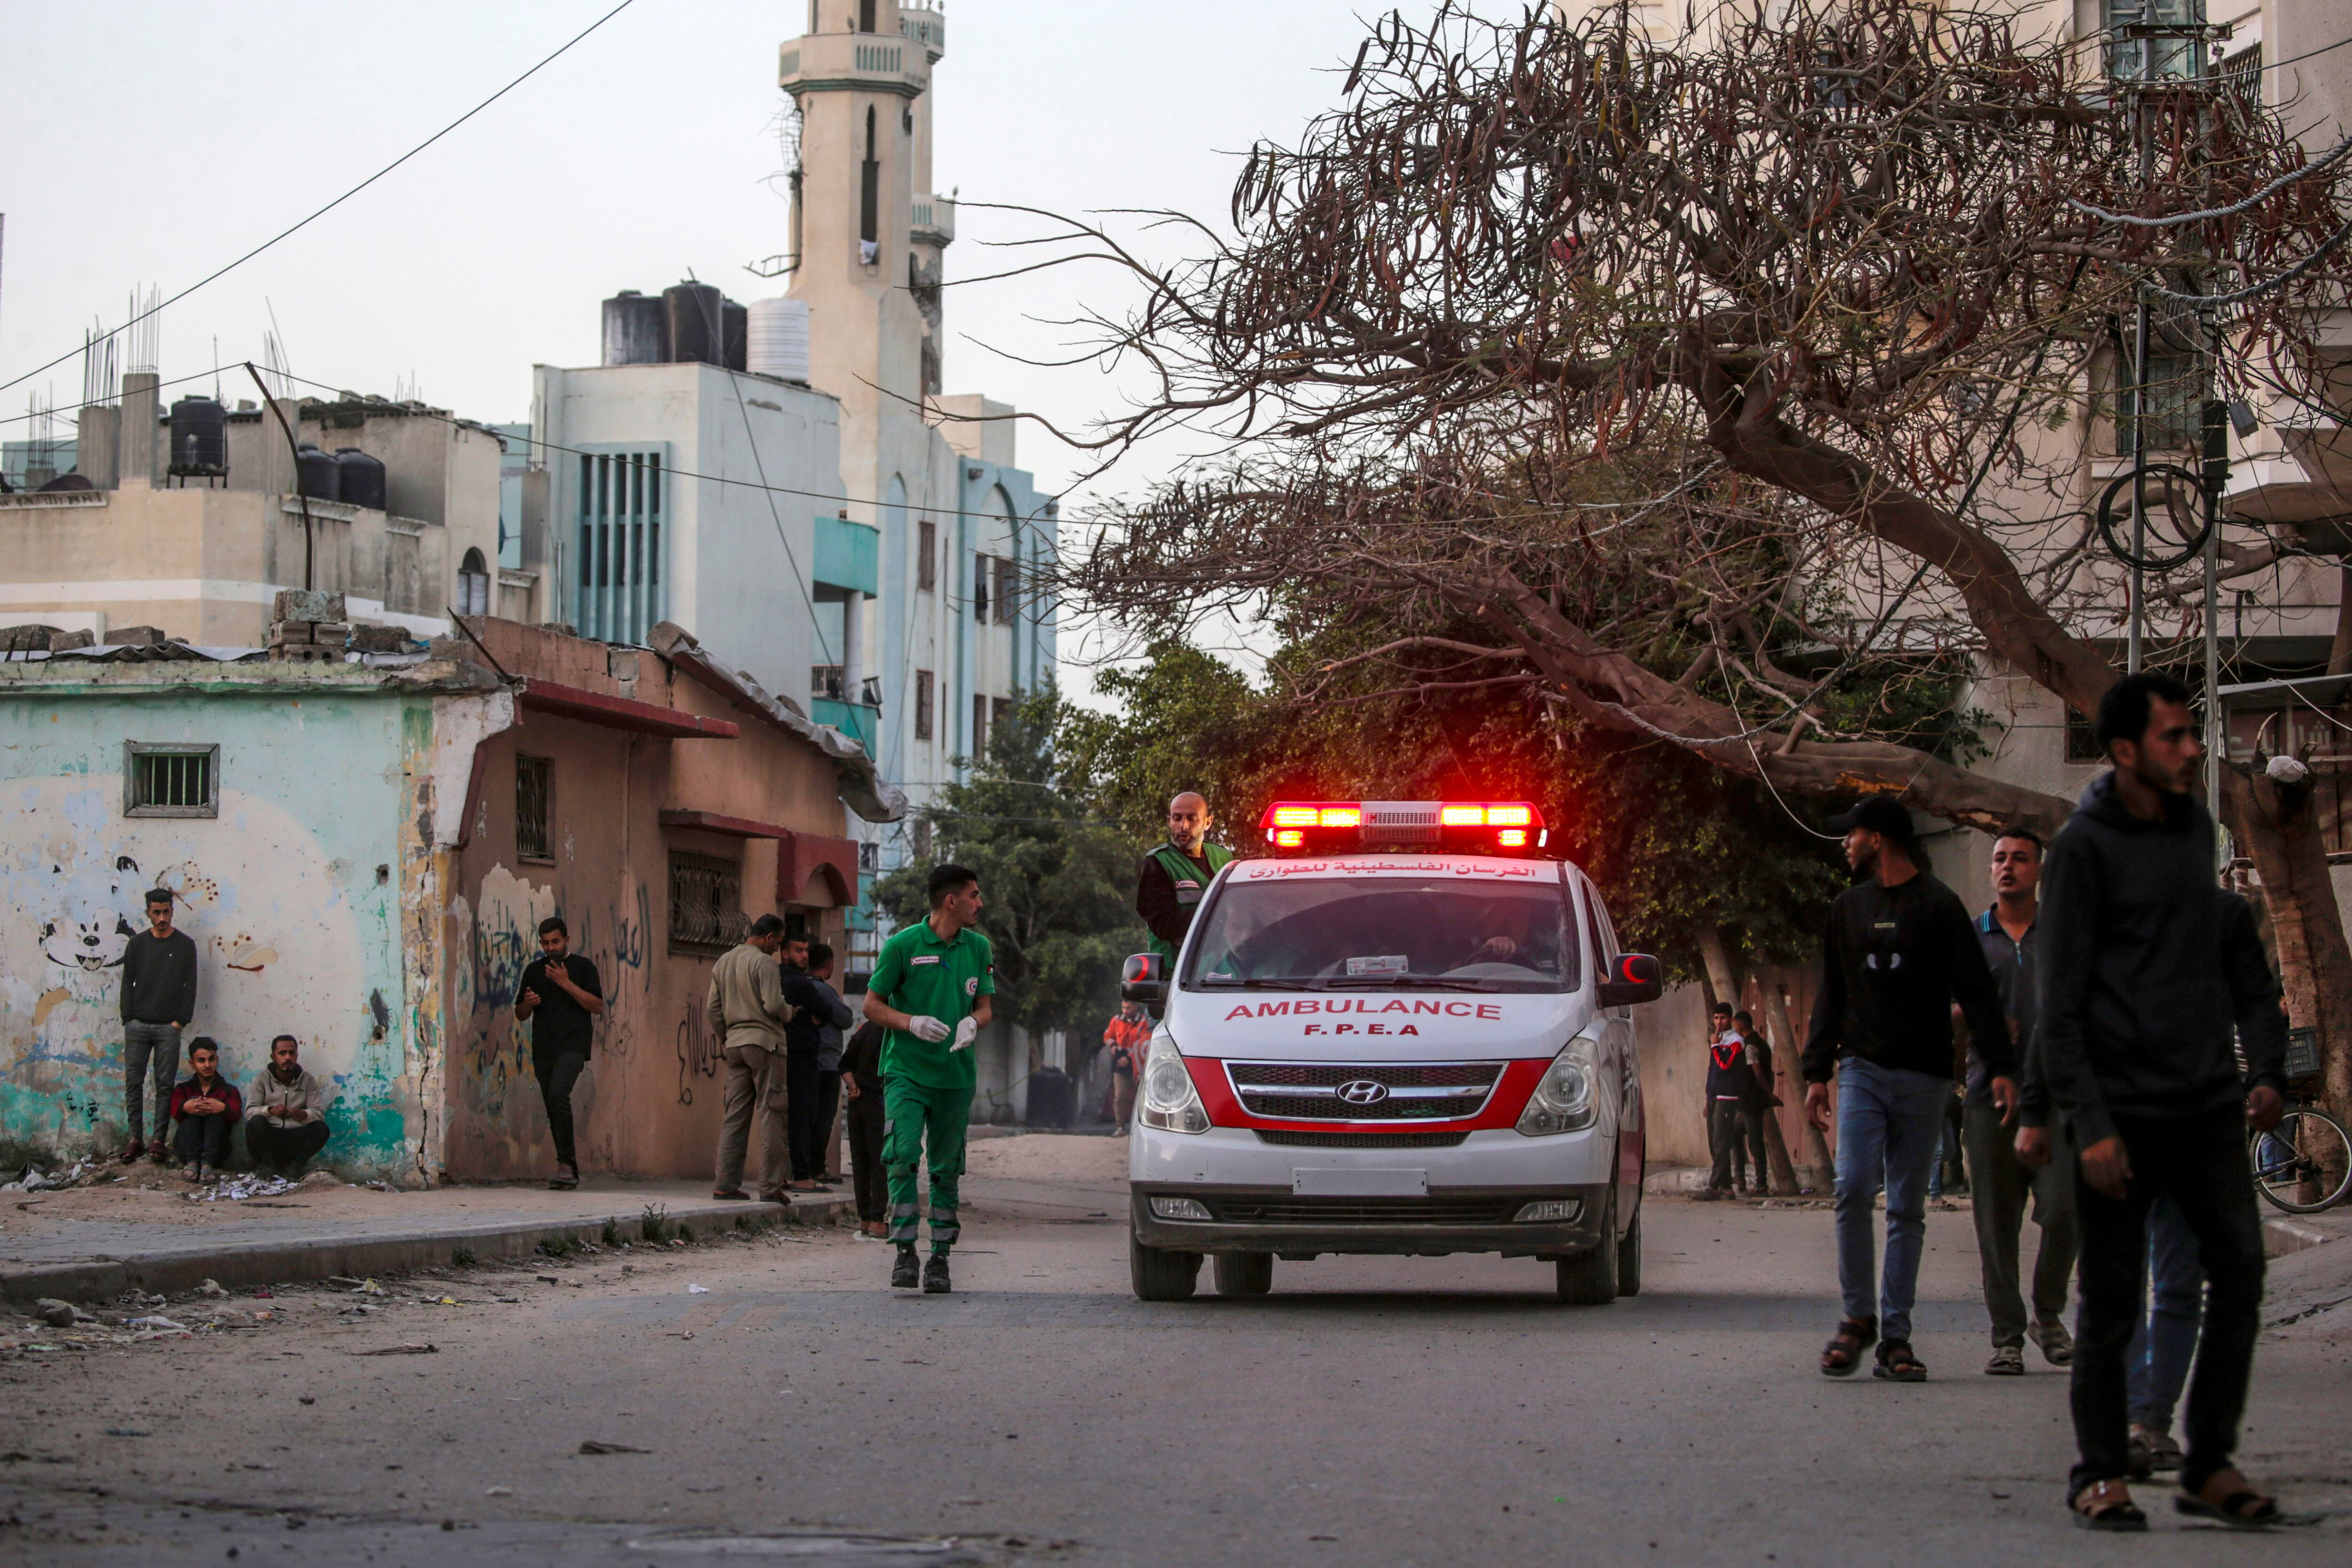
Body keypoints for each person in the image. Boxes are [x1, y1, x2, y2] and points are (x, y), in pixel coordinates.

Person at [2029, 671, 2287, 1530]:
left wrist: (2257, 1071)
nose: (2190, 749)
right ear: (2127, 750)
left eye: (2192, 734)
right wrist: (2088, 1121)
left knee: (2241, 1274)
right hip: (2121, 1111)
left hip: (2205, 1103)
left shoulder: (2195, 832)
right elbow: (2057, 1003)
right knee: (2110, 1298)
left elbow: (2210, 966)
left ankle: (2207, 1461)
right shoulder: (2084, 849)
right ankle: (2099, 1470)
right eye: (2173, 736)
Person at [1803, 796, 2012, 1384]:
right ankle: (1856, 1318)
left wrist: (1999, 1066)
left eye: (1853, 833)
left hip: (1924, 1076)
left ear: (1881, 839)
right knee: (1849, 1188)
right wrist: (1815, 1072)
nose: (1845, 842)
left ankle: (1895, 1336)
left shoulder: (1939, 907)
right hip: (1863, 1069)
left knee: (1904, 1208)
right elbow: (1832, 995)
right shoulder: (1847, 908)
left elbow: (1977, 992)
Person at [1963, 827, 2077, 1378]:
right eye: (1999, 858)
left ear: (2038, 871)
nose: (2007, 867)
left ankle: (2048, 1313)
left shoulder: (2061, 936)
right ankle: (2006, 1337)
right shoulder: (1971, 938)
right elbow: (1943, 1011)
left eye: (2019, 859)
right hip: (1988, 1101)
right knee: (1995, 1226)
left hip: (2055, 1101)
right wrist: (1973, 1023)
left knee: (2064, 1209)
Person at [862, 864, 995, 1294]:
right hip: (906, 1071)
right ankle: (904, 1249)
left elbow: (985, 1006)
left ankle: (940, 1257)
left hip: (955, 1077)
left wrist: (974, 1023)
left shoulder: (978, 947)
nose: (980, 902)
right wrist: (910, 1021)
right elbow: (871, 1005)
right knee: (900, 1156)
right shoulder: (902, 945)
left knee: (946, 1168)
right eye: (974, 895)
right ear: (950, 901)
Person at [706, 914, 795, 1203]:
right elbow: (773, 1004)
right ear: (768, 937)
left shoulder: (724, 961)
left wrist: (728, 1037)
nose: (777, 950)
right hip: (765, 1045)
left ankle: (725, 1183)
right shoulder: (765, 962)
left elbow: (713, 1010)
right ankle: (770, 1187)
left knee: (735, 1115)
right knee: (772, 1112)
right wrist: (789, 1012)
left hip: (735, 1045)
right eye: (778, 943)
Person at [514, 915, 604, 1191]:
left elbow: (597, 1005)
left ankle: (566, 1165)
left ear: (566, 940)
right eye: (545, 943)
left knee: (558, 1094)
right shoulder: (533, 970)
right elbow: (520, 1014)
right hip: (544, 1048)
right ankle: (568, 1168)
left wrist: (566, 983)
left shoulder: (583, 967)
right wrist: (528, 1005)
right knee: (553, 1104)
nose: (550, 947)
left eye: (555, 941)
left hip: (573, 1047)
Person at [119, 889, 197, 1166]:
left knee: (165, 1085)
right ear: (148, 913)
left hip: (168, 1027)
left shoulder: (186, 945)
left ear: (172, 911)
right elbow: (127, 982)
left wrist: (180, 1021)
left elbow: (191, 986)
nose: (162, 918)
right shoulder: (137, 945)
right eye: (157, 912)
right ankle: (134, 1139)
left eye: (166, 912)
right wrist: (128, 1019)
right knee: (134, 1083)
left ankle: (158, 1141)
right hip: (138, 1025)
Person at [781, 938, 856, 1191]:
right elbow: (845, 1018)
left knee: (807, 1116)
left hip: (810, 1059)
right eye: (797, 950)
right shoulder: (821, 990)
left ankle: (805, 1168)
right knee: (820, 1118)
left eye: (805, 952)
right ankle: (814, 1169)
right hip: (823, 1063)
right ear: (831, 964)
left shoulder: (796, 984)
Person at [1136, 792, 1233, 969]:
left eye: (1192, 818)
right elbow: (1164, 924)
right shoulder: (1157, 864)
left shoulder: (1224, 858)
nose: (1184, 826)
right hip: (1177, 975)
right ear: (1169, 821)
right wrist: (1219, 919)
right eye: (1177, 818)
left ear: (1208, 822)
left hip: (1225, 971)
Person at [243, 1034, 329, 1178]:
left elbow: (318, 1112)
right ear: (273, 1057)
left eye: (292, 1053)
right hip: (271, 1138)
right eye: (282, 1053)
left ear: (296, 1056)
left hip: (295, 1137)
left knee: (322, 1129)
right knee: (256, 1123)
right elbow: (250, 1111)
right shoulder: (262, 1079)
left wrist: (305, 1115)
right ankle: (267, 1166)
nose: (288, 1058)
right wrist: (269, 1111)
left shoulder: (308, 1080)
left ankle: (295, 1166)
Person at [840, 1017, 890, 1240]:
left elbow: (845, 1064)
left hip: (857, 1099)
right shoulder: (897, 1031)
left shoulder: (867, 1028)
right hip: (879, 1101)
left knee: (860, 1161)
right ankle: (878, 1221)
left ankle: (866, 1220)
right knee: (880, 1161)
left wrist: (852, 1085)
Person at [168, 1037, 242, 1181]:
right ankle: (192, 1163)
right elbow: (174, 1112)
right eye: (201, 1061)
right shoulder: (183, 1089)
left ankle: (207, 1165)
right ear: (192, 1063)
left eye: (211, 1059)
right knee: (194, 1108)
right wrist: (187, 1107)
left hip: (218, 1152)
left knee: (214, 1113)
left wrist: (222, 1108)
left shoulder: (229, 1091)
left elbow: (236, 1116)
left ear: (217, 1060)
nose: (208, 1065)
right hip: (186, 1149)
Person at [1700, 1002, 1753, 1199]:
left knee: (1722, 1142)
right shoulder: (1718, 1039)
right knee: (1714, 1143)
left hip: (1727, 1097)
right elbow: (1712, 1069)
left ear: (1730, 1019)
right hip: (1714, 1096)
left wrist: (1715, 1045)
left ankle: (1714, 1187)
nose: (1719, 1022)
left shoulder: (1736, 1041)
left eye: (1723, 1018)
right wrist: (1707, 1099)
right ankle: (1727, 1186)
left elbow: (1724, 1065)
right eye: (1716, 1018)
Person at [1734, 1009, 1776, 1196]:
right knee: (1738, 1138)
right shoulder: (1763, 1044)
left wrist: (1769, 1095)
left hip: (1751, 1102)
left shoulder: (1751, 1046)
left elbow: (1758, 1072)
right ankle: (1741, 1180)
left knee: (1755, 1144)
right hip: (1750, 1102)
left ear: (1740, 1025)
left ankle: (1761, 1185)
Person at [1102, 1001, 1151, 1133]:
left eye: (1128, 1008)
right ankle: (1120, 1127)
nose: (1125, 1011)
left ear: (1135, 1007)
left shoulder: (1143, 1022)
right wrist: (1112, 1046)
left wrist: (1129, 1058)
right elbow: (1108, 1036)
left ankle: (1143, 1126)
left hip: (1137, 1062)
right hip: (1119, 1061)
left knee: (1141, 1095)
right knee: (1120, 1096)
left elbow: (1143, 1042)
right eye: (1123, 1008)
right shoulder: (1116, 1021)